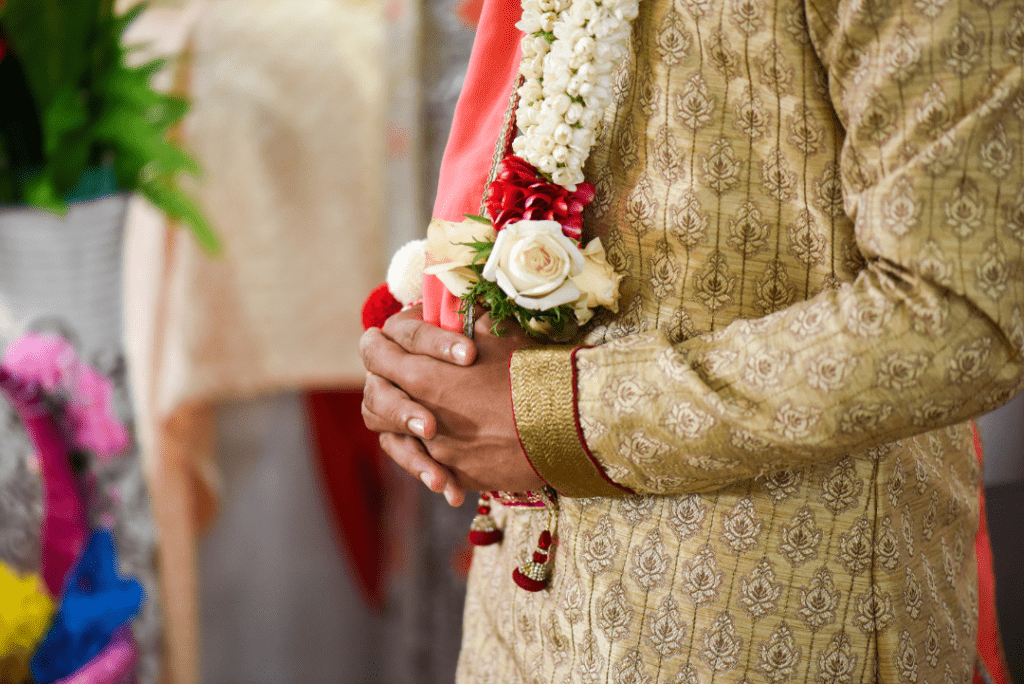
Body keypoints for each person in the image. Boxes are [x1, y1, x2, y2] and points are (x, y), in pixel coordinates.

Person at [360, 0, 1024, 678]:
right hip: (520, 615)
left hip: (764, 626)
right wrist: (437, 359)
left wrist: (559, 415)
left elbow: (958, 315)